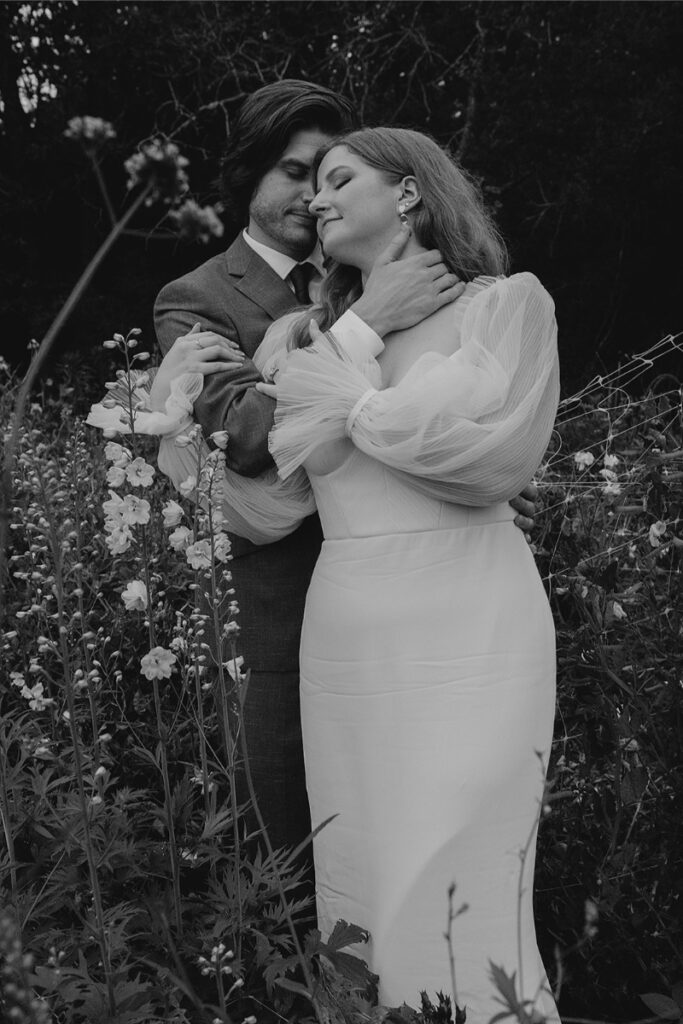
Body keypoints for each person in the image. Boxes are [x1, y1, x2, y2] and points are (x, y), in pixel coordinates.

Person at [152, 81, 537, 876]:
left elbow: (471, 415)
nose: (312, 196)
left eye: (331, 176)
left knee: (450, 838)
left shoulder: (430, 286)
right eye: (295, 173)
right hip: (298, 613)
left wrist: (469, 478)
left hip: (450, 599)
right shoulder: (195, 300)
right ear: (249, 178)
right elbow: (250, 439)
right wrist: (366, 322)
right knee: (315, 860)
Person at [244, 127, 560, 1019]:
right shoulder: (302, 336)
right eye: (313, 186)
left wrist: (345, 398)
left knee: (466, 873)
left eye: (340, 179)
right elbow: (270, 474)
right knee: (369, 873)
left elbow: (496, 465)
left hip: (477, 623)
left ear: (411, 194)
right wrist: (354, 342)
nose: (316, 198)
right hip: (349, 636)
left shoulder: (506, 306)